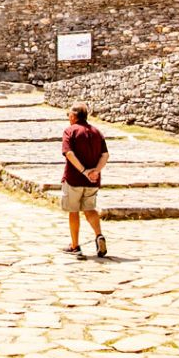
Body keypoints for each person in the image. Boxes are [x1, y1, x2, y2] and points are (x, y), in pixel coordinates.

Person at [61, 102, 109, 257]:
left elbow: (69, 153)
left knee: (73, 211)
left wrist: (83, 171)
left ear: (74, 116)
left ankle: (75, 245)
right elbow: (105, 155)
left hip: (74, 179)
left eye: (69, 114)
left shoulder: (70, 131)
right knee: (90, 209)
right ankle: (98, 235)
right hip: (93, 181)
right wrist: (95, 171)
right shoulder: (97, 132)